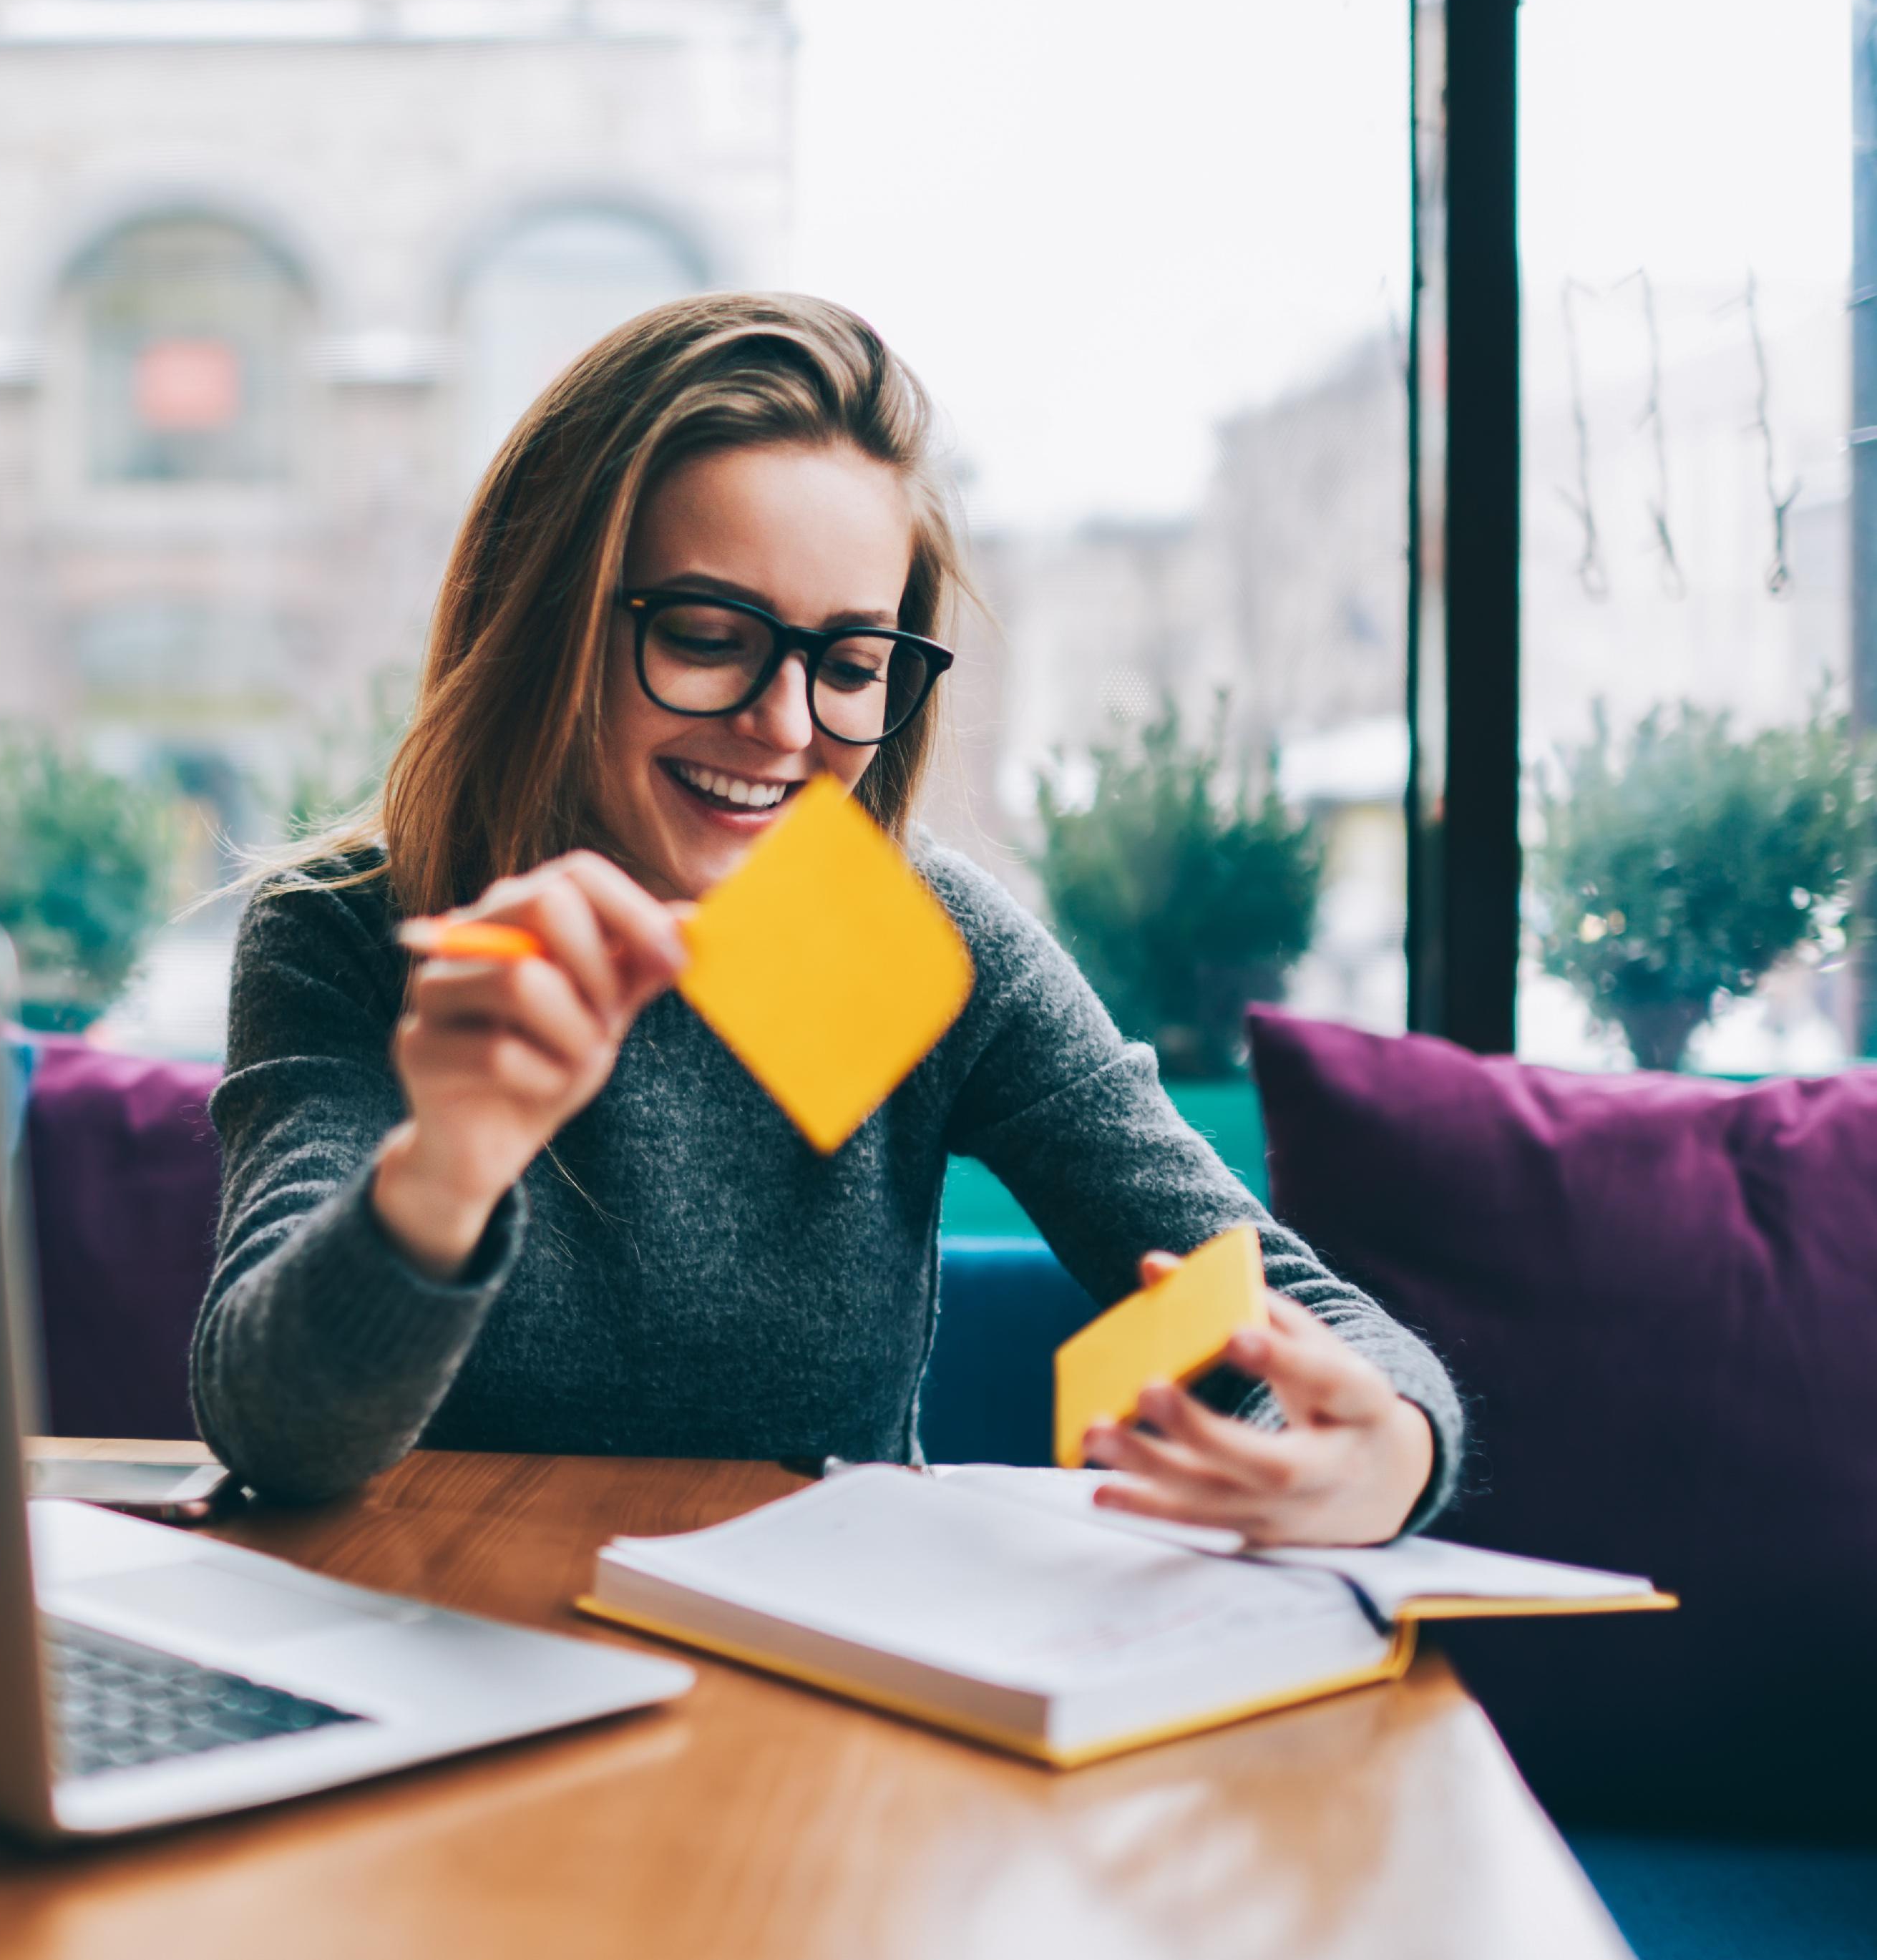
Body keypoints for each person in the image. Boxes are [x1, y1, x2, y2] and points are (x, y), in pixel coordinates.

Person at [192, 293, 1458, 1546]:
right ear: (543, 622)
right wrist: (447, 1164)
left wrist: (1383, 1448)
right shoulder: (356, 934)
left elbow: (1266, 1297)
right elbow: (277, 1430)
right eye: (703, 636)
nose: (786, 727)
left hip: (811, 1687)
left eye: (851, 665)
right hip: (440, 1657)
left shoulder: (907, 942)